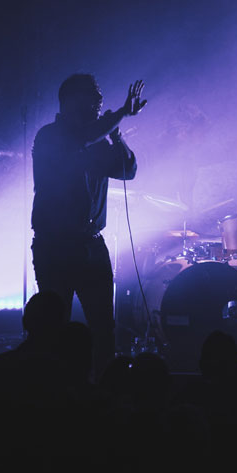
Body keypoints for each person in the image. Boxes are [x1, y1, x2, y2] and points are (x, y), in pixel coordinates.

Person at [31, 74, 146, 376]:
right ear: (70, 101)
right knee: (54, 326)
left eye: (99, 96)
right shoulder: (50, 136)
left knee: (103, 328)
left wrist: (117, 135)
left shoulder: (97, 141)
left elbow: (128, 170)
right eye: (93, 96)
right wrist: (120, 114)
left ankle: (103, 394)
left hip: (91, 245)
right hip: (55, 246)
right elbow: (80, 140)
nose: (99, 102)